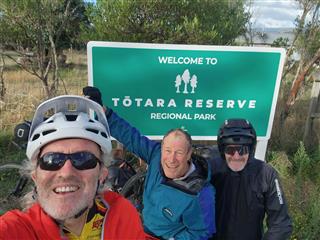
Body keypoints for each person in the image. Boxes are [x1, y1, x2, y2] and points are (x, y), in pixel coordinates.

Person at [0, 95, 150, 240]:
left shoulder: (122, 215)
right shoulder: (18, 229)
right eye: (51, 160)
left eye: (83, 159)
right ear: (35, 176)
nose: (66, 172)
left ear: (102, 175)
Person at [83, 86, 216, 240]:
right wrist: (104, 113)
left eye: (179, 153)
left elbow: (202, 233)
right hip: (141, 227)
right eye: (167, 151)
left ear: (188, 154)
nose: (171, 159)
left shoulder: (200, 193)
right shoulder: (156, 154)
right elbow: (130, 136)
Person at [211, 118, 292, 240]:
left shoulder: (266, 173)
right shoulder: (210, 170)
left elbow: (281, 223)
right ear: (222, 151)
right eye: (230, 150)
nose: (236, 156)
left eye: (242, 150)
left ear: (251, 149)